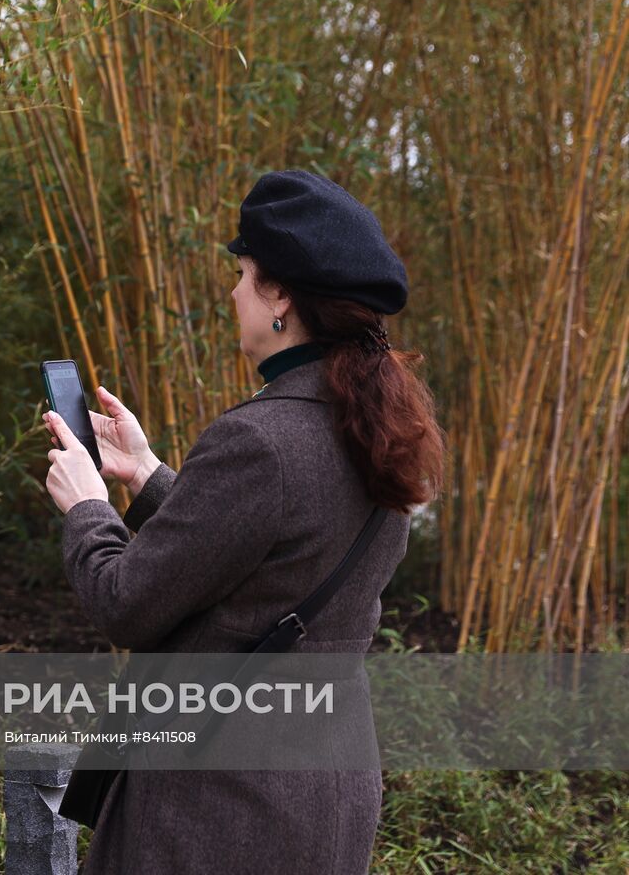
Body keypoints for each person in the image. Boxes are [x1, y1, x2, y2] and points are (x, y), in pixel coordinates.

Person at [41, 169, 447, 873]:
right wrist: (147, 475)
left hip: (219, 807)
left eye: (243, 273)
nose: (233, 292)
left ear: (281, 295)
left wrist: (88, 508)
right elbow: (278, 553)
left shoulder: (259, 440)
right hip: (325, 794)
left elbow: (127, 603)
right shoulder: (379, 429)